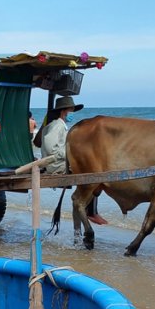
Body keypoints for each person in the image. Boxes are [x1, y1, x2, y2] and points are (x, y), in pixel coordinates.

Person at [40, 96, 107, 225]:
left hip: (58, 162)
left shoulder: (58, 125)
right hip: (56, 165)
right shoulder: (57, 126)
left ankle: (90, 211)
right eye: (71, 110)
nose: (72, 114)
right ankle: (91, 212)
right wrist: (72, 152)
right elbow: (50, 148)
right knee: (92, 171)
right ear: (64, 111)